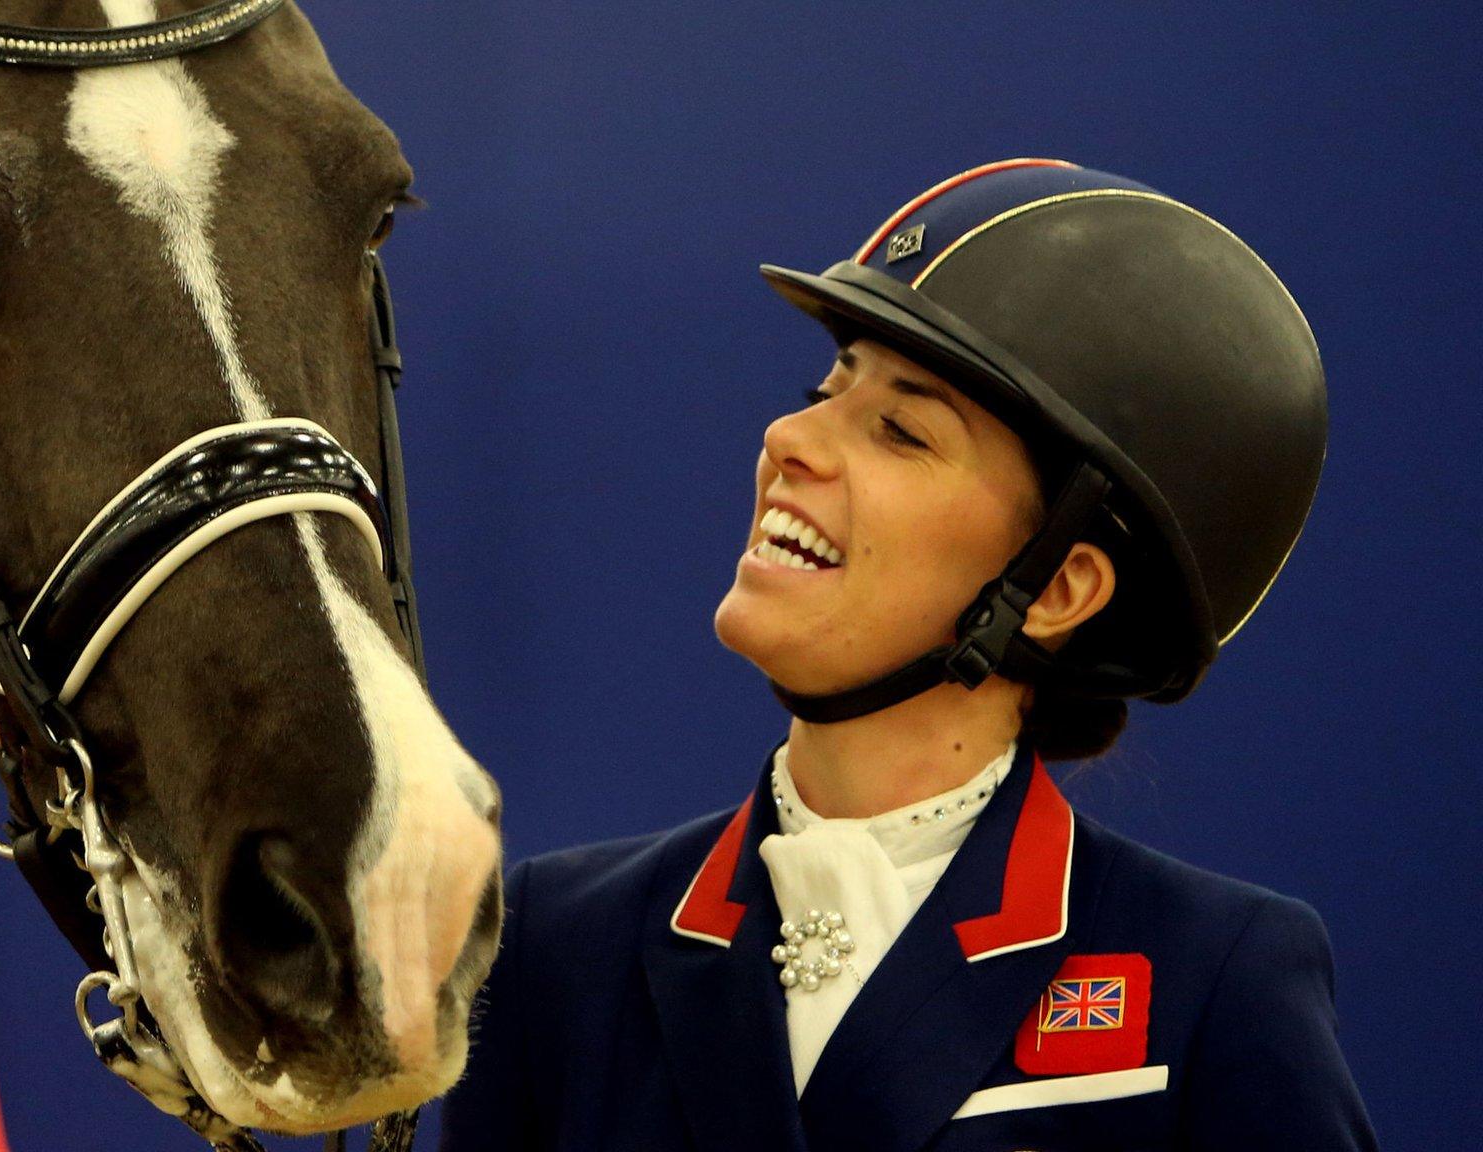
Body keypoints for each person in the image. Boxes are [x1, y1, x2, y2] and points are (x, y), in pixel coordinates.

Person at [438, 159, 1376, 1151]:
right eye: (824, 386)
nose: (790, 437)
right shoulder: (555, 944)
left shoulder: (1209, 975)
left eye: (898, 429)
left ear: (1055, 590)